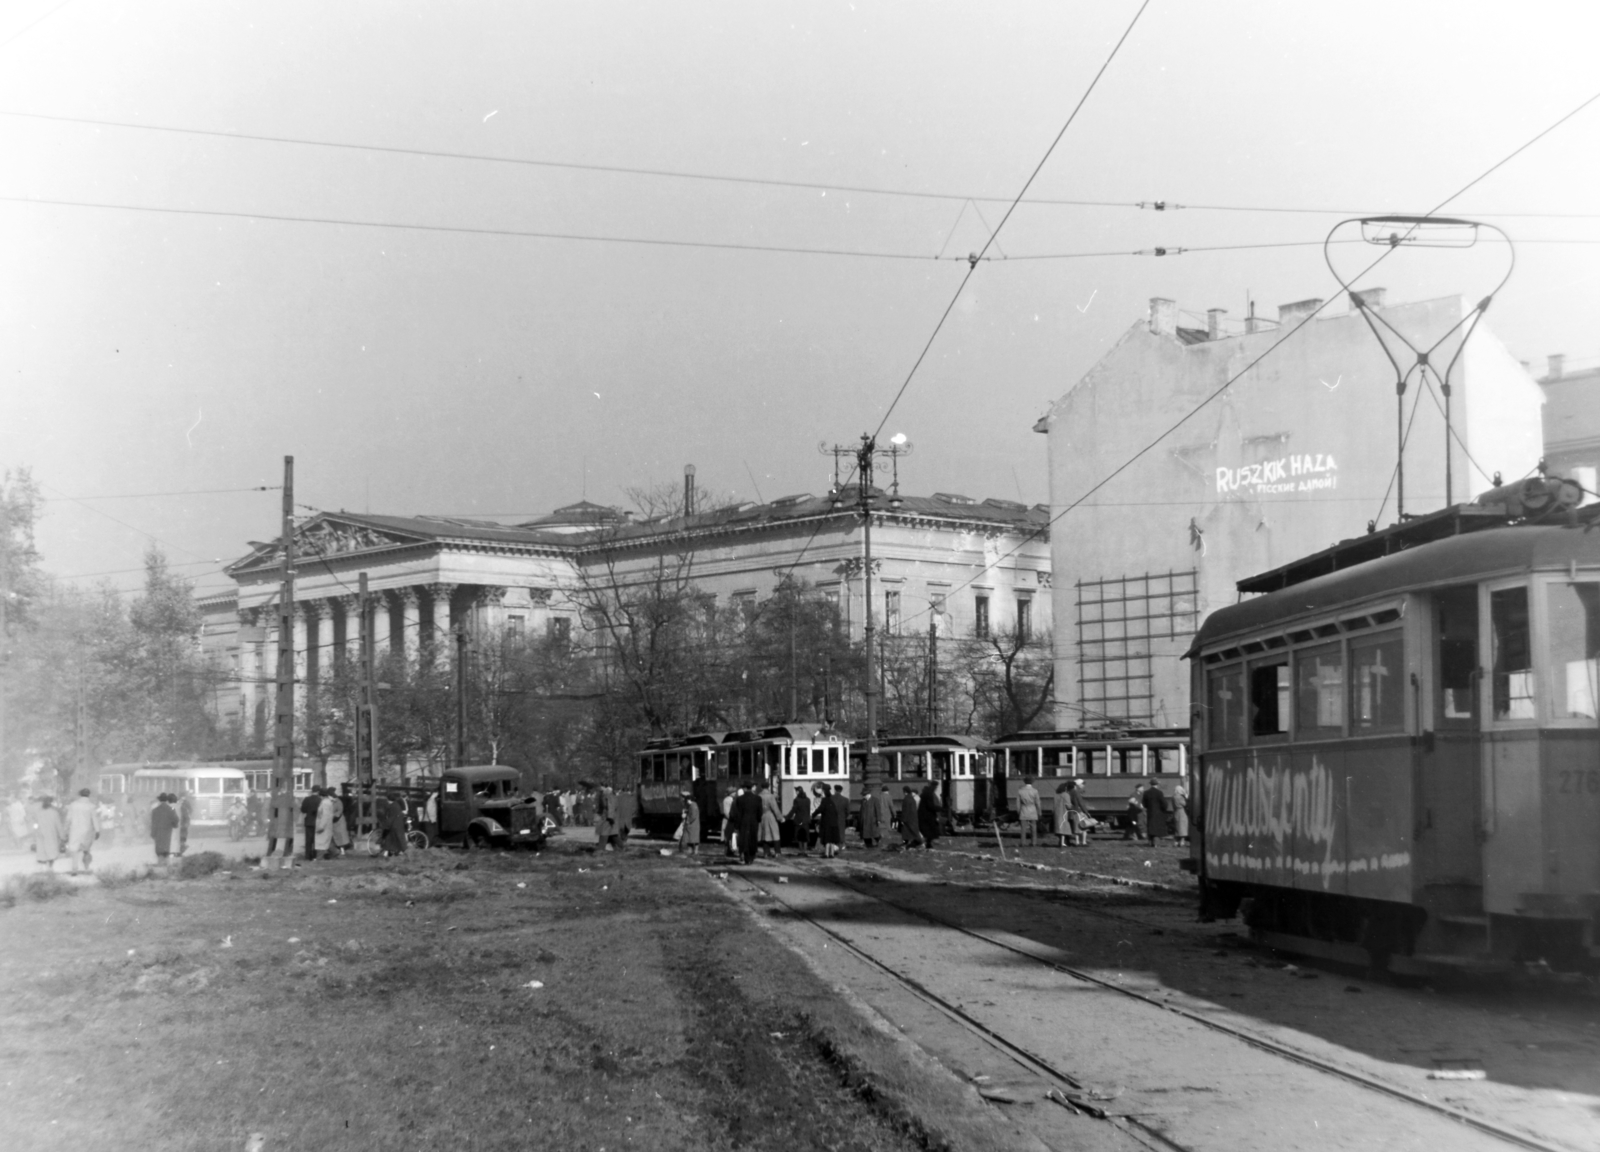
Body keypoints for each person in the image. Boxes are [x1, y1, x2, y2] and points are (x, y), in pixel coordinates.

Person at [64, 788, 100, 875]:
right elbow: (94, 819)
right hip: (87, 831)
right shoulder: (91, 806)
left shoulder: (73, 805)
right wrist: (97, 830)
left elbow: (68, 819)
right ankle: (86, 868)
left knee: (74, 850)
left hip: (74, 830)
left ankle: (74, 869)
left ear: (80, 794)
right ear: (88, 795)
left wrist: (65, 829)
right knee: (86, 850)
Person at [732, 784, 763, 866]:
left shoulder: (740, 799)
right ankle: (752, 855)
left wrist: (736, 825)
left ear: (745, 788)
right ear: (751, 788)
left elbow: (738, 813)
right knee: (753, 838)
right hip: (754, 821)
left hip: (743, 822)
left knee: (744, 839)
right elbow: (760, 812)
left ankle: (746, 856)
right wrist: (758, 819)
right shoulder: (757, 798)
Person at [32, 796, 65, 872]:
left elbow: (35, 824)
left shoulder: (38, 812)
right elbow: (58, 825)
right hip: (51, 834)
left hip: (41, 834)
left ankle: (44, 868)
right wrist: (62, 836)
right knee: (51, 851)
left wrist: (36, 831)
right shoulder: (54, 813)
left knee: (42, 851)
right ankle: (50, 868)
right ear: (51, 803)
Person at [819, 784, 847, 859]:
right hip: (840, 820)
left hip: (829, 820)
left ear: (834, 790)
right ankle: (836, 850)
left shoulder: (829, 799)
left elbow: (823, 809)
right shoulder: (845, 799)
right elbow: (847, 811)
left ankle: (828, 852)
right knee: (838, 836)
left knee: (828, 837)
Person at [150, 793, 179, 863]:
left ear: (159, 800)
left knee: (159, 851)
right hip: (167, 833)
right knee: (166, 850)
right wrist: (174, 825)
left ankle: (160, 865)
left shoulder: (155, 810)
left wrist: (153, 833)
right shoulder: (171, 809)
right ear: (166, 800)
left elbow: (153, 823)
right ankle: (165, 865)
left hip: (158, 834)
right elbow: (176, 820)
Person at [757, 782, 782, 860]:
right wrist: (780, 818)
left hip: (762, 816)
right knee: (775, 833)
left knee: (764, 835)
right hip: (770, 815)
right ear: (768, 787)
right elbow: (775, 808)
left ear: (761, 787)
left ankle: (766, 853)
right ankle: (777, 852)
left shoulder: (758, 796)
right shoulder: (771, 796)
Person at [1143, 779, 1171, 846]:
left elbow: (1144, 804)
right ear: (1157, 784)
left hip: (1150, 812)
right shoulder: (1159, 792)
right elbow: (1163, 803)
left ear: (1150, 784)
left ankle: (1150, 841)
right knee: (1156, 828)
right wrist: (1164, 808)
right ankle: (1155, 843)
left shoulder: (1146, 792)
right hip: (1158, 812)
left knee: (1150, 826)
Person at [1016, 776, 1041, 848]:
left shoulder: (1020, 791)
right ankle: (1034, 842)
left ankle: (1023, 843)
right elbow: (1038, 803)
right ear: (1032, 782)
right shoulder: (1035, 791)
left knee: (1023, 828)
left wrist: (1018, 811)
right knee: (1033, 828)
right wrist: (1039, 812)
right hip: (1033, 810)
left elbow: (1018, 803)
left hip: (1024, 810)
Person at [787, 784, 812, 856]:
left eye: (796, 791)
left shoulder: (796, 800)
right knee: (806, 836)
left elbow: (793, 810)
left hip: (798, 820)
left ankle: (801, 851)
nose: (795, 792)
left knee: (799, 836)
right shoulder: (808, 800)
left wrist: (787, 817)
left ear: (798, 792)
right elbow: (808, 810)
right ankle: (805, 851)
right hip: (806, 820)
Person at [917, 781, 942, 850]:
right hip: (927, 816)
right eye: (936, 787)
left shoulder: (927, 793)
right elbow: (930, 806)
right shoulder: (929, 794)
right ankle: (927, 844)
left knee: (928, 831)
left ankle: (928, 844)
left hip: (925, 815)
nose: (936, 788)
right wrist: (939, 808)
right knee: (931, 830)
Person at [301, 786, 323, 861]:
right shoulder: (320, 800)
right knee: (316, 840)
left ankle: (307, 856)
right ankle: (315, 855)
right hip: (317, 822)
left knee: (308, 840)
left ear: (312, 791)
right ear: (318, 791)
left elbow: (303, 810)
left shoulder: (307, 799)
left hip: (309, 821)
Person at [858, 777, 880, 847]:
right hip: (864, 820)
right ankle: (868, 844)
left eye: (864, 795)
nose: (863, 796)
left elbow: (878, 810)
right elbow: (861, 810)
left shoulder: (875, 800)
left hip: (871, 820)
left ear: (868, 794)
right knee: (865, 834)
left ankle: (877, 841)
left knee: (874, 833)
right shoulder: (863, 801)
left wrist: (878, 819)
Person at [678, 790, 701, 855]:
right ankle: (692, 851)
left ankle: (692, 851)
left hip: (692, 825)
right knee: (691, 839)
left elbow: (693, 816)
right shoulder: (692, 805)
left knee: (692, 839)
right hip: (692, 825)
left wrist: (687, 820)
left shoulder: (693, 806)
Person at [721, 786, 739, 856]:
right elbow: (726, 812)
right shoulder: (728, 800)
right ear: (731, 793)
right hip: (728, 820)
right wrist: (732, 818)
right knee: (729, 836)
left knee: (730, 836)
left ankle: (729, 851)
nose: (735, 793)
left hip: (730, 820)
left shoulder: (730, 799)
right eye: (734, 792)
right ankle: (729, 851)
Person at [175, 790, 194, 856]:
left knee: (180, 837)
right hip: (182, 822)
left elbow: (190, 810)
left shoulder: (179, 803)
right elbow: (190, 810)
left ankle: (181, 849)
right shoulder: (185, 803)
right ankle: (181, 848)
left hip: (180, 822)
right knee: (182, 836)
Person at [1173, 780, 1190, 846]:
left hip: (1176, 812)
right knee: (1182, 827)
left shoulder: (1173, 797)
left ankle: (1176, 842)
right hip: (1182, 812)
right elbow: (1185, 804)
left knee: (1177, 827)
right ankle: (1182, 841)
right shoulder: (1180, 797)